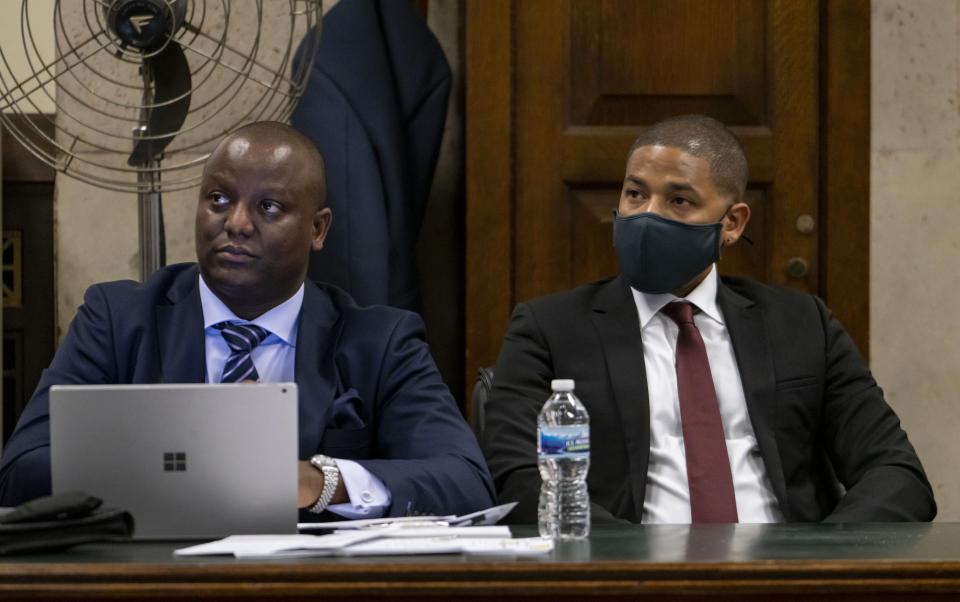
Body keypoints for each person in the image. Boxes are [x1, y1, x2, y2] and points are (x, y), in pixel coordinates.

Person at [0, 122, 495, 520]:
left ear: (318, 229)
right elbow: (21, 469)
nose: (235, 223)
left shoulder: (380, 341)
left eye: (269, 207)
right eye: (218, 199)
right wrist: (186, 471)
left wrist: (320, 481)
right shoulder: (118, 320)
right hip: (150, 579)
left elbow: (464, 479)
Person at [483, 114, 936, 524]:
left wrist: (817, 564)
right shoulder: (549, 330)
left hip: (786, 577)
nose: (646, 216)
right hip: (629, 578)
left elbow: (894, 472)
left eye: (679, 201)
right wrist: (628, 563)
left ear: (733, 223)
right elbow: (520, 480)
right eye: (635, 194)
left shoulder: (802, 324)